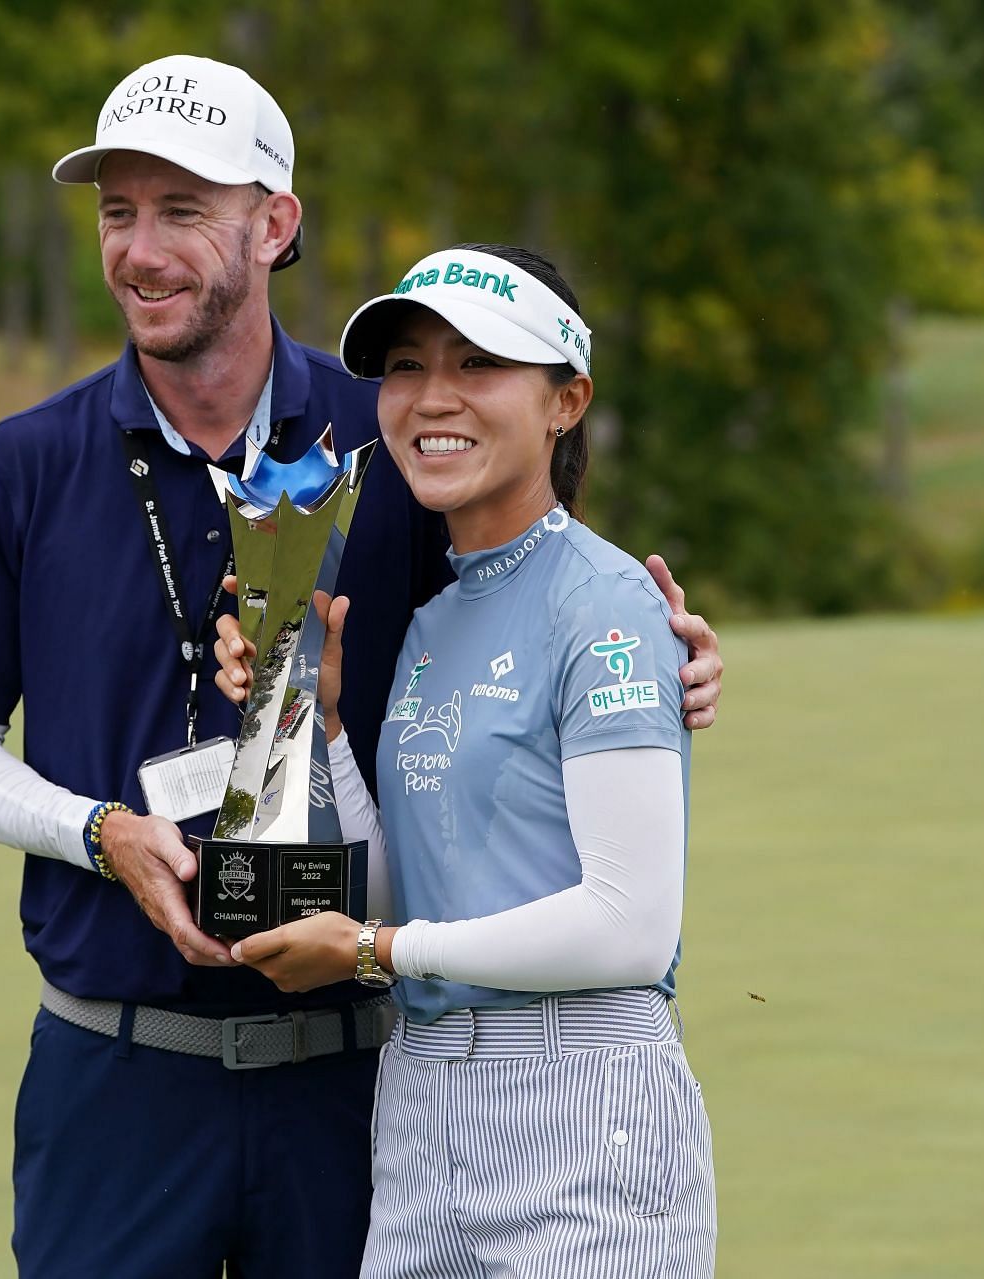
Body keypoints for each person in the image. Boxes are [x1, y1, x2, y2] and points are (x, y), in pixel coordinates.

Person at [0, 55, 724, 1279]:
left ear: (273, 224)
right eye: (119, 211)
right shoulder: (24, 463)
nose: (142, 249)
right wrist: (100, 829)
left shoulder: (394, 432)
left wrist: (668, 660)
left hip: (356, 1074)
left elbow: (535, 605)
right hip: (113, 1070)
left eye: (184, 210)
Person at [217, 243, 715, 1277]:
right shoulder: (437, 620)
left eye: (478, 364)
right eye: (407, 366)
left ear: (566, 402)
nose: (431, 397)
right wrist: (312, 720)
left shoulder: (607, 604)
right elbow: (422, 886)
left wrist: (371, 952)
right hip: (421, 1109)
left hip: (582, 1115)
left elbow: (629, 925)